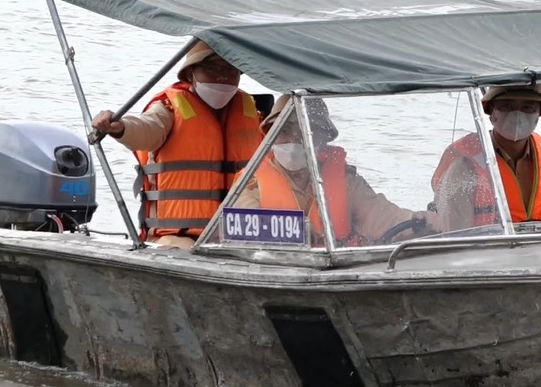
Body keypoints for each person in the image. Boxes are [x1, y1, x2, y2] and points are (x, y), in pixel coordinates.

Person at [92, 41, 264, 249]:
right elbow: (146, 130)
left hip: (242, 236)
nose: (222, 76)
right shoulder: (168, 108)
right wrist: (119, 127)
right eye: (212, 68)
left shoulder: (251, 112)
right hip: (178, 237)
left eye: (230, 69)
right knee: (183, 250)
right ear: (190, 73)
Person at [235, 96, 438, 247]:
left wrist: (420, 222)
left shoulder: (347, 182)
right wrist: (296, 230)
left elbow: (385, 217)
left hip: (334, 273)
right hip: (276, 273)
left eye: (307, 132)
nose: (295, 139)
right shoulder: (250, 182)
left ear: (323, 140)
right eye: (285, 130)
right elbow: (240, 225)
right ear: (270, 135)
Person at [431, 83, 541, 229]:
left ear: (538, 115)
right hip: (485, 253)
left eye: (527, 107)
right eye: (507, 106)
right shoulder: (463, 170)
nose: (517, 114)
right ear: (491, 112)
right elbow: (456, 239)